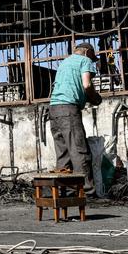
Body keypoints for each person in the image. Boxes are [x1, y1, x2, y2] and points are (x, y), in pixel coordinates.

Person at [49, 42, 102, 194]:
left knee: (63, 153)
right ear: (86, 52)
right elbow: (86, 85)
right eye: (92, 57)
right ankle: (86, 190)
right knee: (79, 150)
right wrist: (95, 98)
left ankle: (63, 191)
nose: (92, 61)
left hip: (53, 108)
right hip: (68, 109)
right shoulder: (84, 61)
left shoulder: (64, 62)